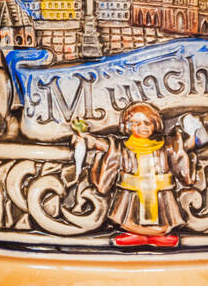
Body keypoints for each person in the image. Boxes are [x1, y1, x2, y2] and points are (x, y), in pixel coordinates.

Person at [76, 102, 197, 248]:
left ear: (155, 124)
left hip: (161, 193)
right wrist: (83, 135)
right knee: (129, 215)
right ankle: (136, 234)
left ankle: (159, 236)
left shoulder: (166, 146)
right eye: (136, 123)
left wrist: (193, 131)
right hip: (131, 193)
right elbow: (99, 144)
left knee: (164, 215)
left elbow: (184, 148)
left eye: (147, 123)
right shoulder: (121, 146)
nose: (142, 127)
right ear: (127, 125)